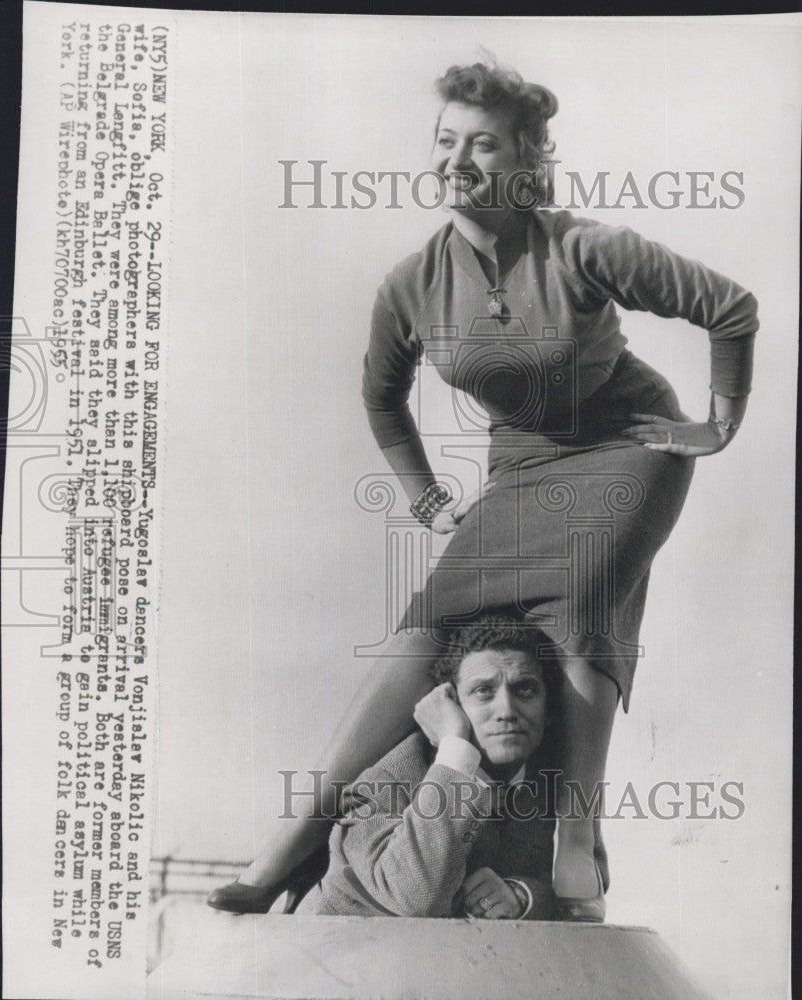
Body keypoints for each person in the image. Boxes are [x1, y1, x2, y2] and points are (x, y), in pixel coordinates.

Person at [208, 59, 757, 919]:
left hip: (627, 447)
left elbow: (731, 307)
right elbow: (380, 399)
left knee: (577, 609)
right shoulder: (411, 283)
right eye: (445, 141)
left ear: (527, 162)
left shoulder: (583, 246)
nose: (458, 159)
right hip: (519, 468)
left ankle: (573, 845)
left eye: (484, 144)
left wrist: (717, 425)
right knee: (422, 630)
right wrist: (425, 499)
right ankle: (296, 839)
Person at [314, 617, 608, 920]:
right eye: (483, 692)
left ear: (548, 710)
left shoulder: (559, 784)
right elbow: (415, 897)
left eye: (525, 690)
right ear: (451, 705)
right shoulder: (384, 783)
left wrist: (520, 895)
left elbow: (583, 900)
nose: (506, 711)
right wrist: (454, 748)